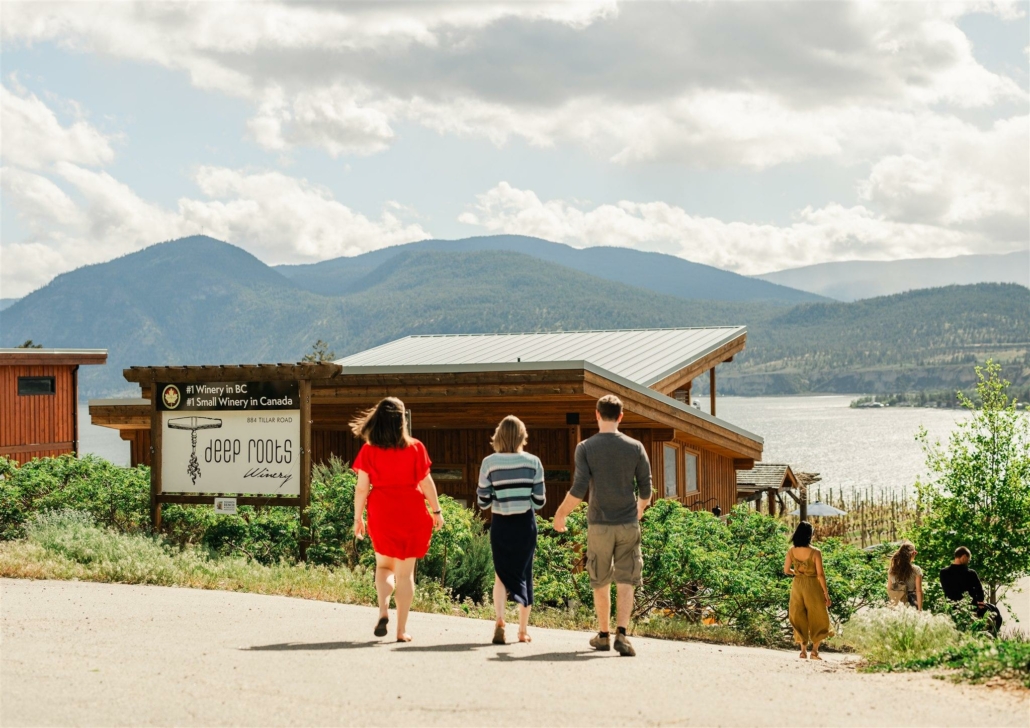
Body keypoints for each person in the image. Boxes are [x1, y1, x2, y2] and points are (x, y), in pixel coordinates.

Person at [553, 395, 652, 657]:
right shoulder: (635, 447)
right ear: (621, 416)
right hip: (628, 523)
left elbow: (578, 489)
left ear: (596, 414)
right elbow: (646, 489)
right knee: (626, 578)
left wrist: (561, 514)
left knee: (600, 578)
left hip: (598, 524)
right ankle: (622, 633)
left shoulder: (585, 447)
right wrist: (639, 510)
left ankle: (604, 634)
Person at [351, 397, 445, 643]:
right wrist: (437, 511)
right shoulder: (416, 448)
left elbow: (361, 489)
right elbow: (425, 482)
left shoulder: (369, 450)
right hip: (411, 512)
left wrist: (357, 517)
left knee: (383, 568)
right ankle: (401, 631)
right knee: (405, 574)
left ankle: (383, 610)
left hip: (382, 512)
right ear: (402, 420)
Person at [477, 415, 546, 645]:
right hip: (525, 525)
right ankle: (523, 631)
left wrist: (499, 496)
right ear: (521, 436)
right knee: (525, 573)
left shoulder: (489, 462)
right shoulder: (533, 462)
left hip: (501, 524)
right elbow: (539, 502)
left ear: (499, 436)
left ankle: (499, 620)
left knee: (500, 574)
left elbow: (483, 501)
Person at [784, 521, 832, 660]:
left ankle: (803, 651)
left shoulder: (791, 551)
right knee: (818, 615)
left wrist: (798, 573)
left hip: (797, 585)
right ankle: (815, 651)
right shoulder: (816, 552)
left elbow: (786, 570)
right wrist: (826, 594)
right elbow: (820, 575)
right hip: (813, 586)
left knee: (798, 615)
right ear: (810, 535)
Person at [940, 546, 1002, 632]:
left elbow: (946, 590)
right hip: (971, 607)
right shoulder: (970, 573)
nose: (968, 562)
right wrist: (980, 602)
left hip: (952, 607)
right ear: (964, 557)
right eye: (968, 560)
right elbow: (979, 590)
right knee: (994, 611)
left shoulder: (943, 573)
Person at [887, 541, 923, 610]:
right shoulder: (916, 570)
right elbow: (919, 591)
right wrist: (920, 609)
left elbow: (889, 589)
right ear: (913, 553)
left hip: (896, 603)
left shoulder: (892, 570)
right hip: (911, 603)